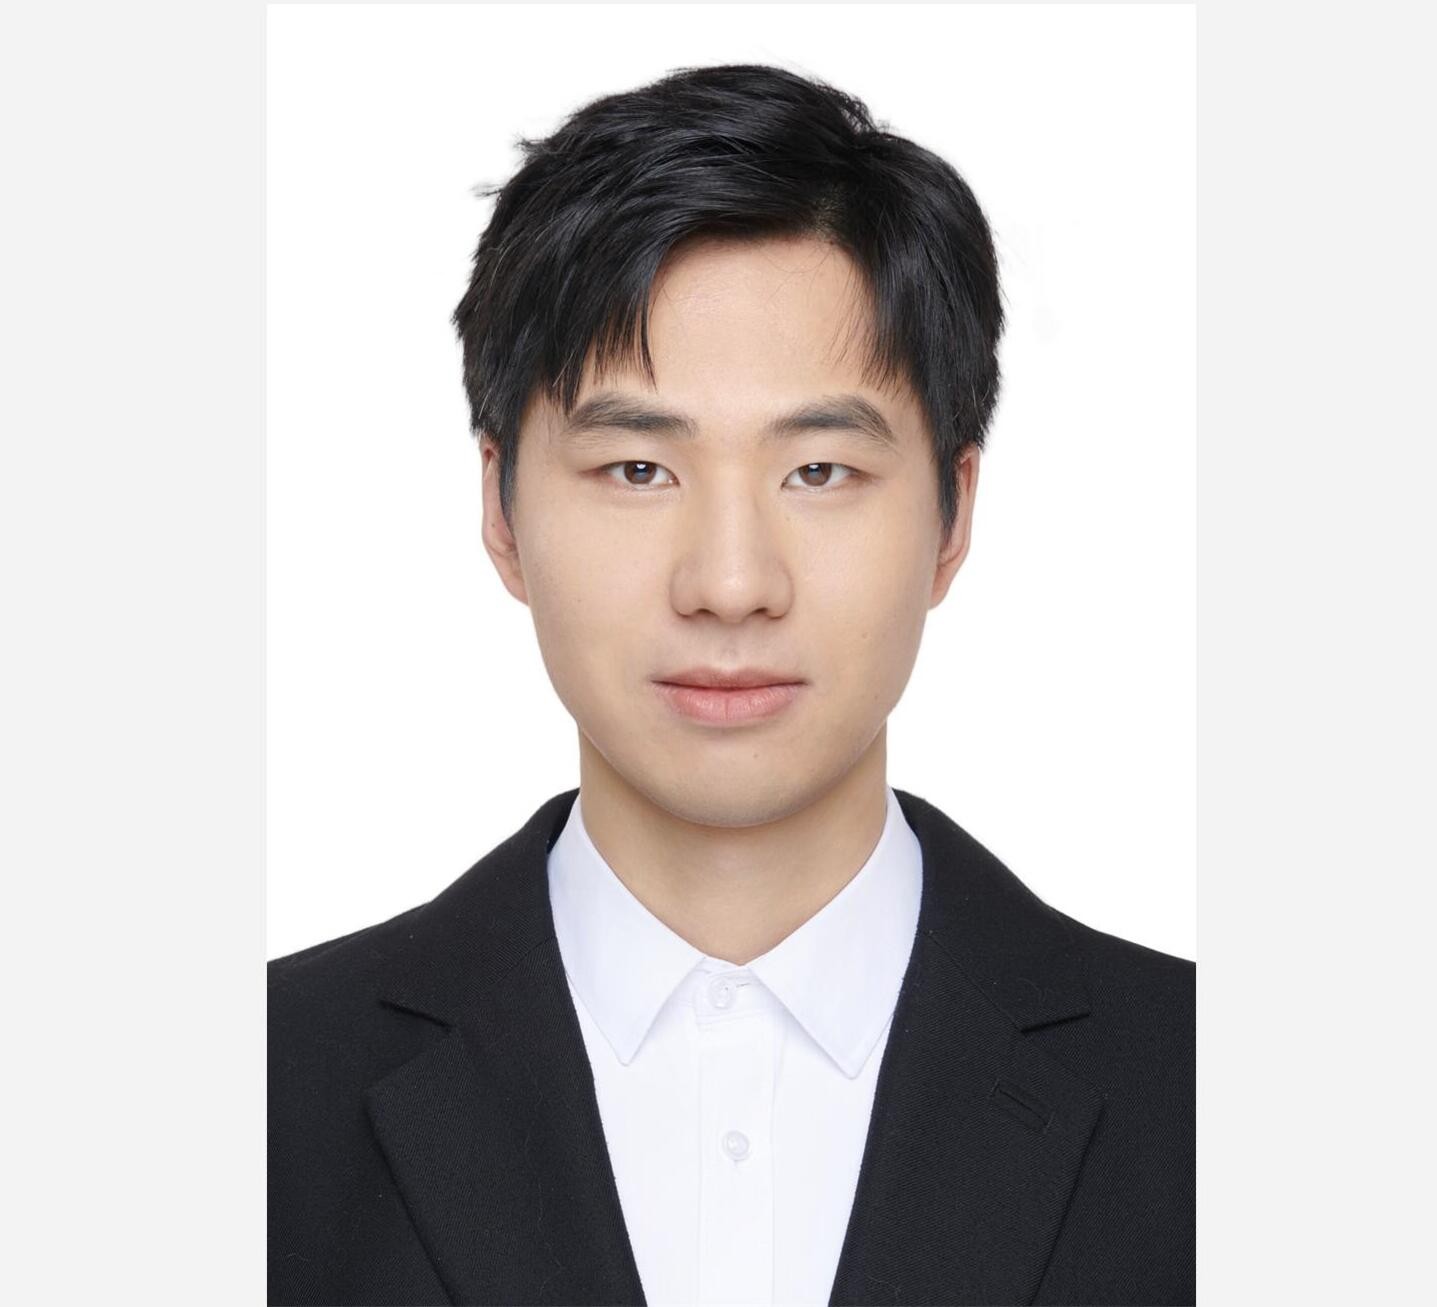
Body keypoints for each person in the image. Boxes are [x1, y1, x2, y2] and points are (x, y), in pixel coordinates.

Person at [268, 63, 1194, 1307]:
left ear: (953, 513)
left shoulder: (1210, 1094)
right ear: (500, 508)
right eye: (638, 469)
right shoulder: (260, 1095)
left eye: (819, 470)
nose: (730, 582)